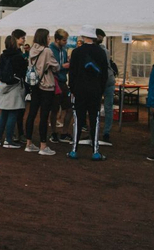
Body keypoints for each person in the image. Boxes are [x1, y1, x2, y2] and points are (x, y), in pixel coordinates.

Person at [67, 24, 109, 160]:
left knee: (78, 119)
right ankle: (95, 151)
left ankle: (74, 149)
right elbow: (104, 74)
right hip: (95, 89)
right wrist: (101, 89)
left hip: (79, 89)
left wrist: (72, 88)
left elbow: (72, 73)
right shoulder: (101, 52)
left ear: (84, 36)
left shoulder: (77, 52)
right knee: (94, 119)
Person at [24, 29, 59, 155]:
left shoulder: (32, 49)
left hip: (35, 84)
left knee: (32, 113)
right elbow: (56, 67)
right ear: (45, 38)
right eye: (48, 36)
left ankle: (28, 143)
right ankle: (43, 146)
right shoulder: (47, 51)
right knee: (44, 116)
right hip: (46, 85)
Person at [0, 34, 27, 148]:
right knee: (13, 113)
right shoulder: (18, 56)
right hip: (15, 86)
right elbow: (23, 70)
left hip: (3, 85)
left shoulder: (3, 55)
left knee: (4, 113)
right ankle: (8, 140)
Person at [48, 29, 73, 145]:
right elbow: (53, 66)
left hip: (63, 82)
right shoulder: (50, 50)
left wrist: (67, 65)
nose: (66, 42)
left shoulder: (64, 49)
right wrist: (64, 66)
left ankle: (64, 132)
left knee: (69, 108)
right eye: (64, 40)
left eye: (66, 40)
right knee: (54, 109)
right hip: (54, 82)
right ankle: (54, 132)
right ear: (57, 40)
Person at [96, 29, 116, 145]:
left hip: (104, 81)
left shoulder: (103, 51)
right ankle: (103, 132)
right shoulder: (105, 50)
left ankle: (103, 132)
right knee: (107, 108)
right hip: (107, 80)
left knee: (102, 108)